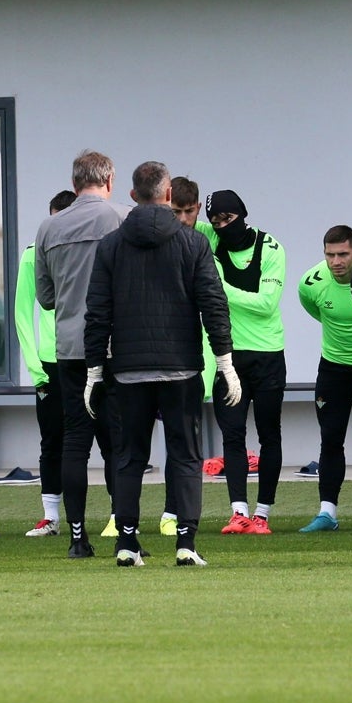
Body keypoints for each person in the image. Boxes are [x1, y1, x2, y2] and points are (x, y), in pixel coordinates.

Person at [85, 161, 240, 567]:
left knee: (128, 457)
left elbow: (97, 312)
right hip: (182, 367)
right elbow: (213, 304)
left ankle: (126, 543)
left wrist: (93, 370)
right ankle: (186, 542)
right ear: (169, 196)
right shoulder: (193, 244)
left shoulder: (111, 245)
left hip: (129, 369)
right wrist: (225, 360)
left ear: (133, 196)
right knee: (185, 455)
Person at [35, 150, 129, 558]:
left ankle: (77, 537)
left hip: (71, 348)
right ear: (108, 180)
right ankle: (124, 528)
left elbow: (46, 298)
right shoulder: (123, 219)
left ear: (74, 185)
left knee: (76, 440)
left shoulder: (48, 228)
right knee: (119, 443)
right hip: (117, 345)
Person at [196, 189, 287, 534]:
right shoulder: (208, 237)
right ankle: (239, 512)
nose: (221, 226)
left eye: (228, 219)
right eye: (215, 221)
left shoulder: (271, 248)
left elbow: (266, 303)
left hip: (266, 355)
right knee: (232, 435)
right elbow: (181, 219)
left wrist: (216, 287)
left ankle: (262, 514)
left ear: (242, 214)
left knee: (269, 434)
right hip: (227, 357)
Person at [297, 225, 352, 532]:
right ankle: (327, 513)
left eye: (343, 254)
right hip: (333, 365)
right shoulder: (310, 284)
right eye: (330, 255)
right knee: (330, 438)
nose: (336, 261)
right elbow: (316, 311)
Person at [155, 176, 217, 537]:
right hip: (172, 354)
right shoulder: (158, 240)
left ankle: (215, 513)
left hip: (207, 355)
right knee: (176, 439)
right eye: (174, 211)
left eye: (188, 212)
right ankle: (169, 512)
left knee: (191, 441)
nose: (181, 218)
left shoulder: (208, 238)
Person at [15, 189, 75, 537]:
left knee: (107, 438)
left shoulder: (93, 250)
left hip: (86, 358)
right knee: (52, 441)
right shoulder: (32, 255)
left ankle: (117, 514)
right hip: (50, 364)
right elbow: (23, 314)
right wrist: (35, 368)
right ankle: (51, 517)